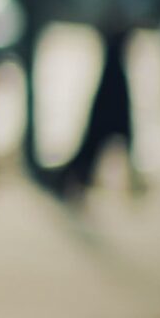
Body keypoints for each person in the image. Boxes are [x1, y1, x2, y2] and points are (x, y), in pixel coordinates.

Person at [60, 12, 141, 201]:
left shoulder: (113, 65)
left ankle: (73, 182)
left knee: (88, 154)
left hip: (106, 115)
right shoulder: (115, 67)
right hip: (108, 115)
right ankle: (70, 181)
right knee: (88, 155)